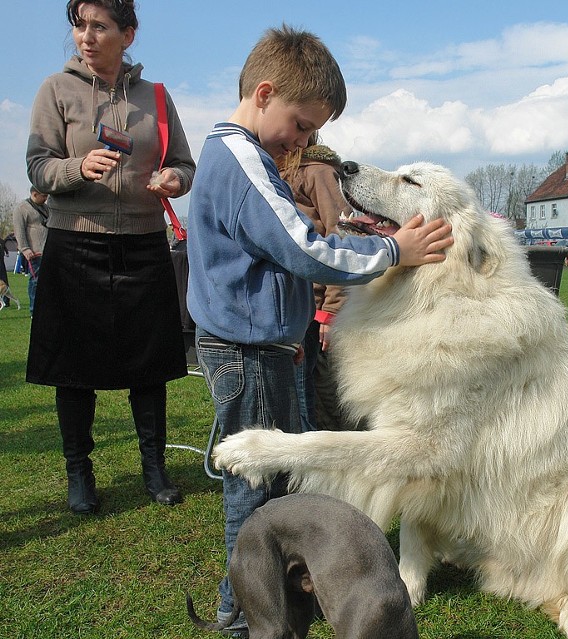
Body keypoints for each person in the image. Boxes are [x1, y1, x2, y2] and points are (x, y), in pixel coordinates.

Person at [185, 24, 452, 636]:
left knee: (274, 475)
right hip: (247, 352)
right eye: (302, 126)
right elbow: (303, 248)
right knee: (255, 482)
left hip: (265, 347)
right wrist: (393, 250)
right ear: (265, 93)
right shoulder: (241, 159)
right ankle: (241, 612)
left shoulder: (244, 155)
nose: (304, 141)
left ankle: (264, 597)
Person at [25, 0, 196, 515]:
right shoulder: (56, 90)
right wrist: (79, 167)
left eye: (99, 26)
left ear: (129, 33)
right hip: (75, 242)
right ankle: (80, 473)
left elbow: (184, 164)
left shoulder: (157, 98)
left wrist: (174, 180)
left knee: (150, 365)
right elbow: (38, 166)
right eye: (80, 25)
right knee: (74, 369)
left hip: (144, 243)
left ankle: (155, 469)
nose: (86, 36)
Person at [277, 138, 360, 432]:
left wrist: (331, 310)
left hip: (314, 314)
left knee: (317, 406)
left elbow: (343, 236)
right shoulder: (271, 170)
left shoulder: (317, 171)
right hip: (287, 309)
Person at [12, 187, 50, 314]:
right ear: (34, 194)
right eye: (44, 196)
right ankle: (34, 310)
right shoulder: (22, 208)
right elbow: (19, 230)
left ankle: (45, 308)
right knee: (35, 281)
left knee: (47, 281)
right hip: (34, 252)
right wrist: (25, 248)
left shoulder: (45, 208)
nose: (46, 198)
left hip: (47, 251)